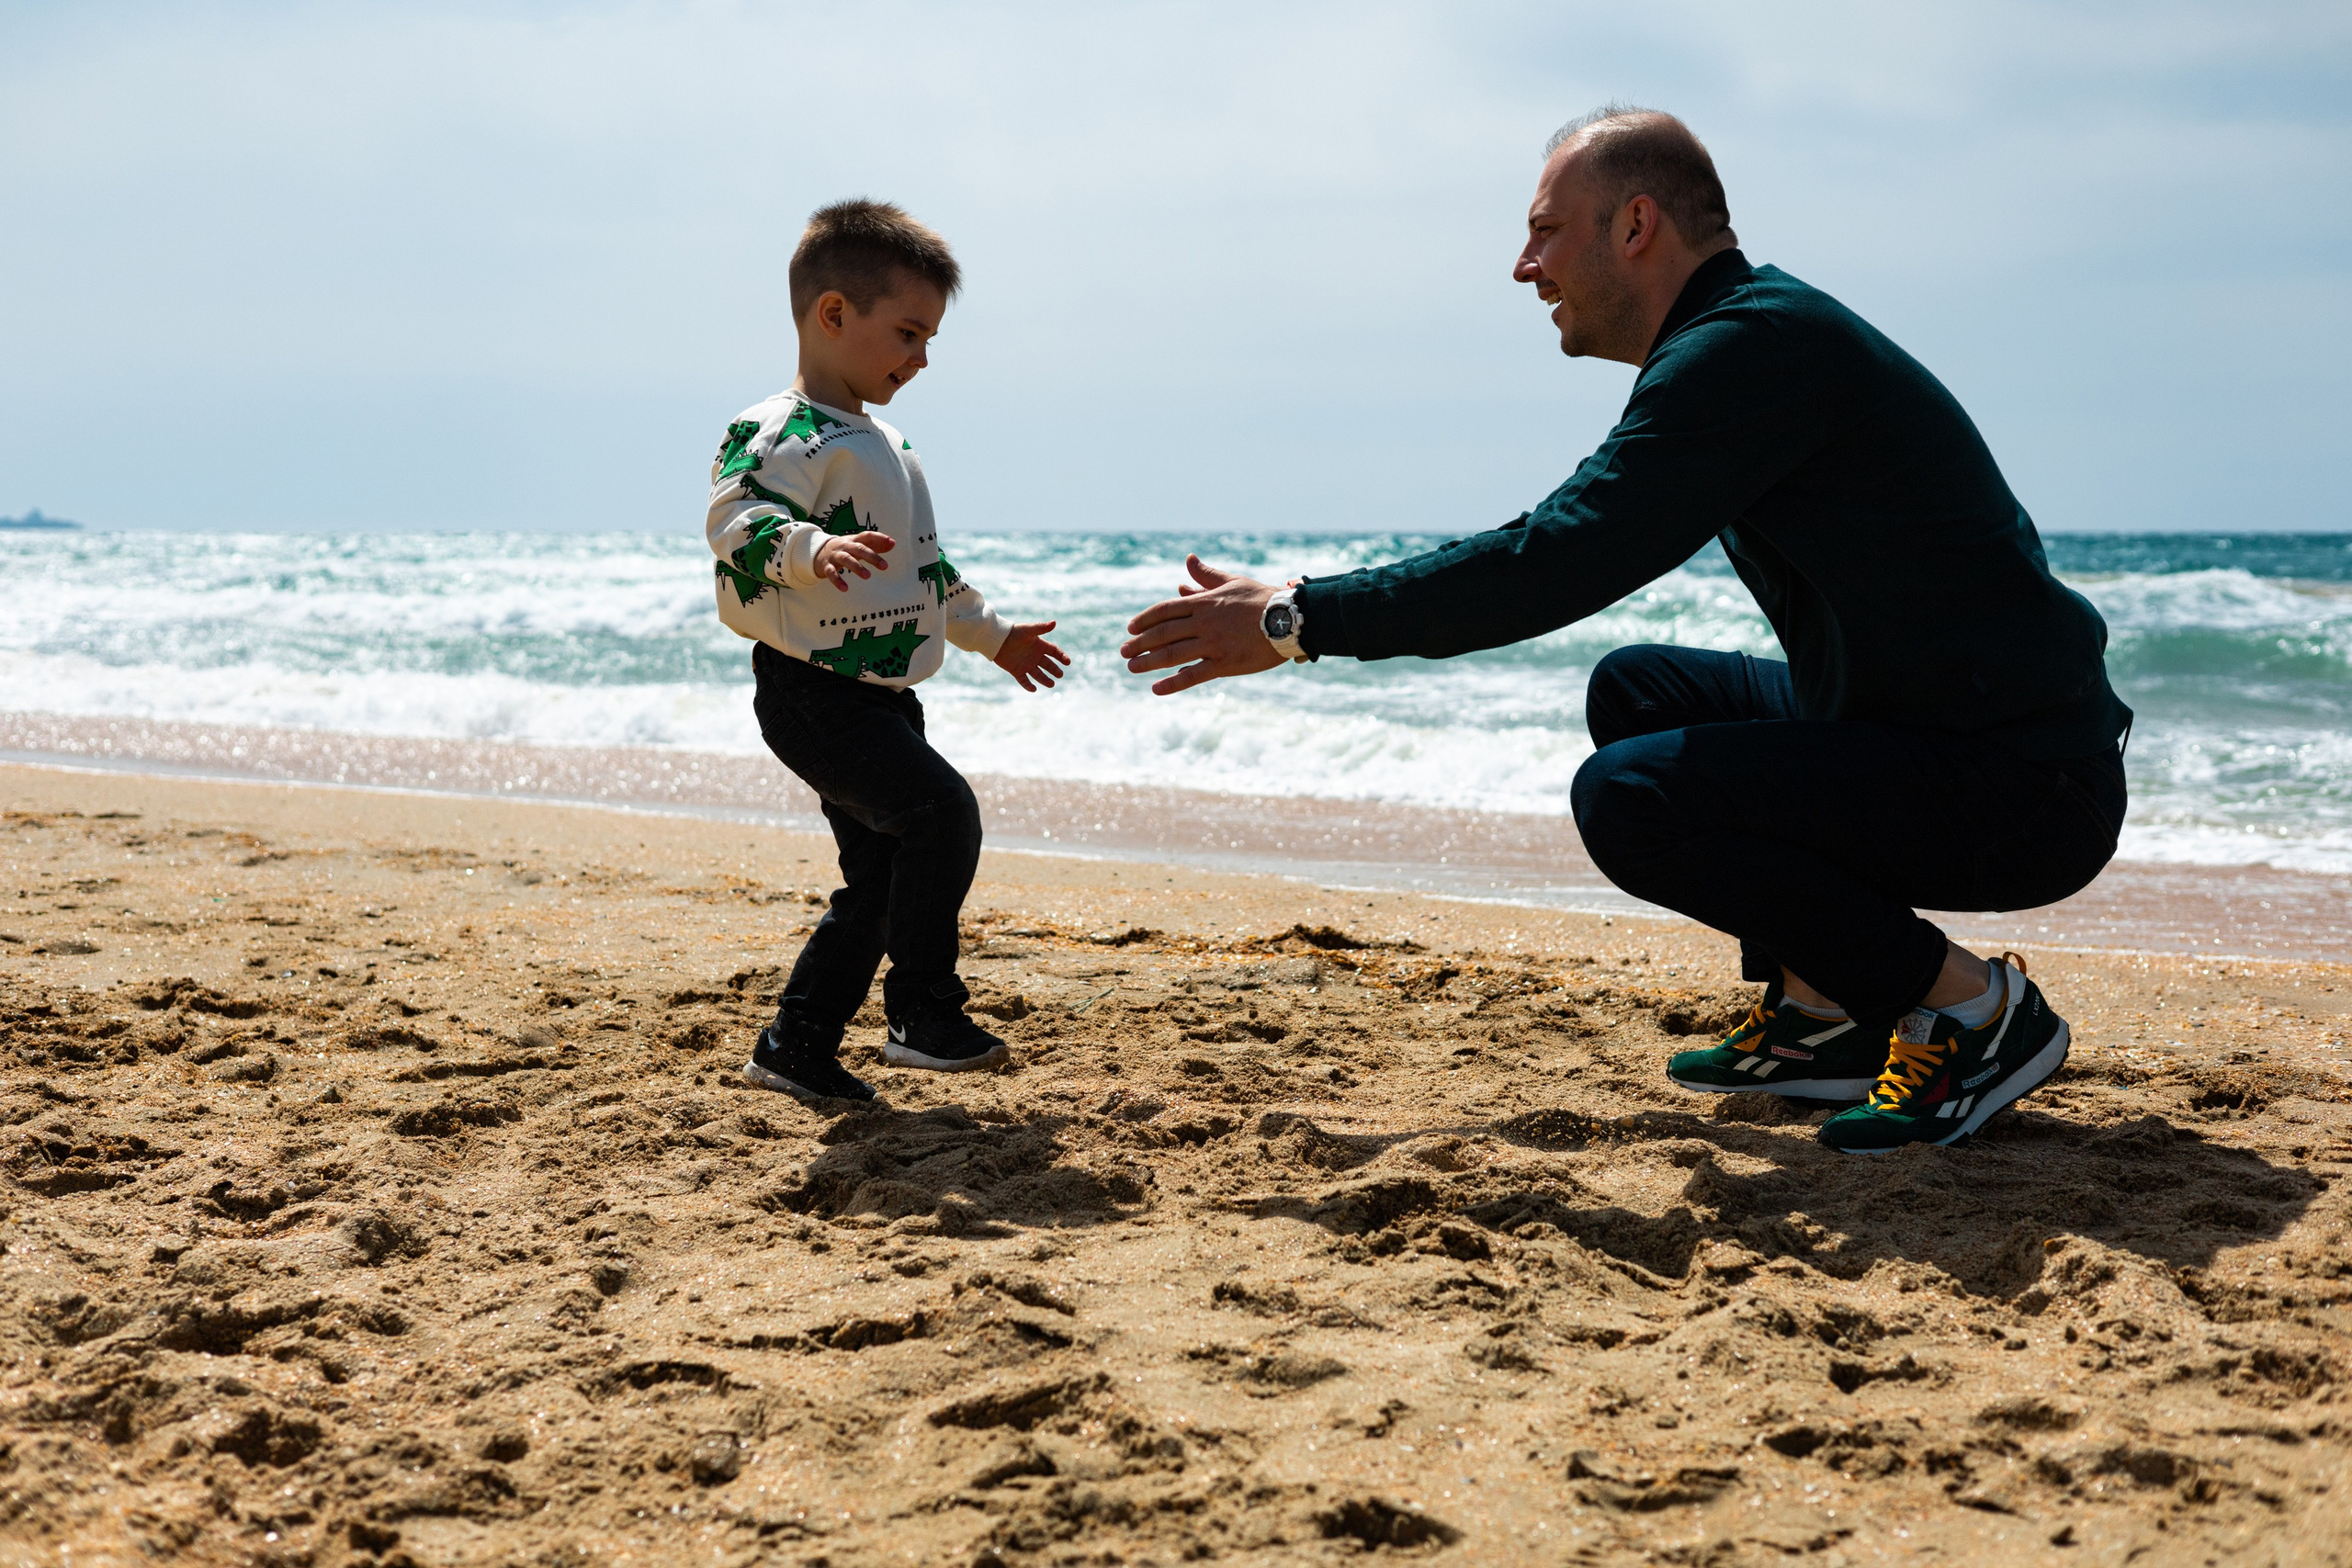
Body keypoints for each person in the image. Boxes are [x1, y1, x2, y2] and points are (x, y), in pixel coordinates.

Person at [1118, 107, 2130, 1156]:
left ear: (1636, 224)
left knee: (1632, 799)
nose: (1523, 266)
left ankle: (1970, 1014)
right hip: (1959, 732)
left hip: (2020, 786)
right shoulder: (1744, 335)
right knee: (1640, 691)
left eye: (1546, 230)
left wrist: (1298, 619)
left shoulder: (1748, 349)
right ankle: (1824, 1014)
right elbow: (1561, 551)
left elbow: (1555, 559)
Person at [706, 199, 1069, 1102]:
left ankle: (795, 1047)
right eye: (907, 332)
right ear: (834, 314)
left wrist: (991, 636)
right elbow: (733, 519)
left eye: (929, 338)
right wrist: (809, 551)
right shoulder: (780, 429)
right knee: (941, 815)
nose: (921, 357)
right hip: (810, 693)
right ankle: (920, 1011)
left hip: (883, 697)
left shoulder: (888, 444)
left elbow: (924, 570)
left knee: (878, 880)